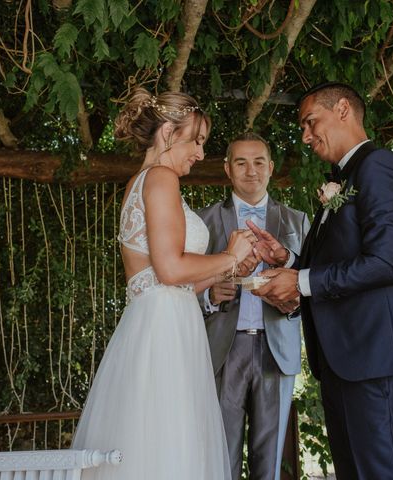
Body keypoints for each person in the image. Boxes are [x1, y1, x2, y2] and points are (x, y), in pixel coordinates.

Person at [72, 88, 258, 480]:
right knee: (167, 442)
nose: (201, 154)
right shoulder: (159, 178)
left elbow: (171, 282)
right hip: (164, 333)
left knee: (164, 440)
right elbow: (171, 269)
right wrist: (230, 257)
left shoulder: (143, 182)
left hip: (166, 319)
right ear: (169, 133)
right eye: (197, 140)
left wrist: (230, 268)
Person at [250, 83, 393, 479]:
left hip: (376, 358)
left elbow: (386, 262)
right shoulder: (344, 177)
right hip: (344, 362)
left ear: (343, 109)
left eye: (310, 122)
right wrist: (288, 260)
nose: (305, 136)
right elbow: (336, 263)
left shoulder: (378, 167)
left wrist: (300, 282)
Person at [197, 132, 310, 480]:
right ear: (228, 169)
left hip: (276, 350)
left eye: (259, 161)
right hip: (222, 351)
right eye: (241, 162)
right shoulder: (204, 221)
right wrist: (209, 296)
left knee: (269, 458)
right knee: (220, 455)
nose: (251, 171)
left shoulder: (298, 221)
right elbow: (179, 285)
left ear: (271, 168)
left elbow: (314, 286)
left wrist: (293, 304)